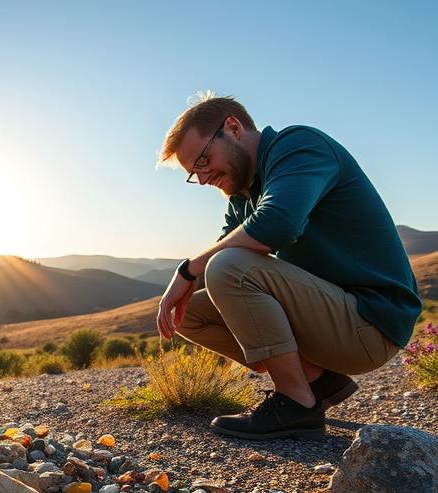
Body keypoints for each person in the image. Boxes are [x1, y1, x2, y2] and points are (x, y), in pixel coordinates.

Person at [155, 93, 421, 439]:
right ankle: (315, 380)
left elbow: (277, 224)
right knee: (188, 311)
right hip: (331, 318)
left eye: (203, 160)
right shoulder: (243, 195)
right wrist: (188, 280)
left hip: (370, 323)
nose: (203, 177)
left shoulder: (298, 145)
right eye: (194, 173)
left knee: (227, 266)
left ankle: (296, 403)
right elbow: (229, 251)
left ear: (233, 128)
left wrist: (187, 270)